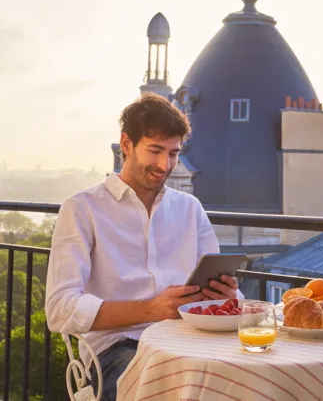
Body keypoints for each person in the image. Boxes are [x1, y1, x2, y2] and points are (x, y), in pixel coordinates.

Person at [45, 94, 241, 400]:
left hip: (190, 340)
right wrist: (149, 310)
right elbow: (59, 309)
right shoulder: (82, 209)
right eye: (155, 150)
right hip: (117, 350)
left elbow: (232, 296)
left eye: (174, 153)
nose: (165, 165)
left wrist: (227, 296)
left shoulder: (190, 208)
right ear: (126, 145)